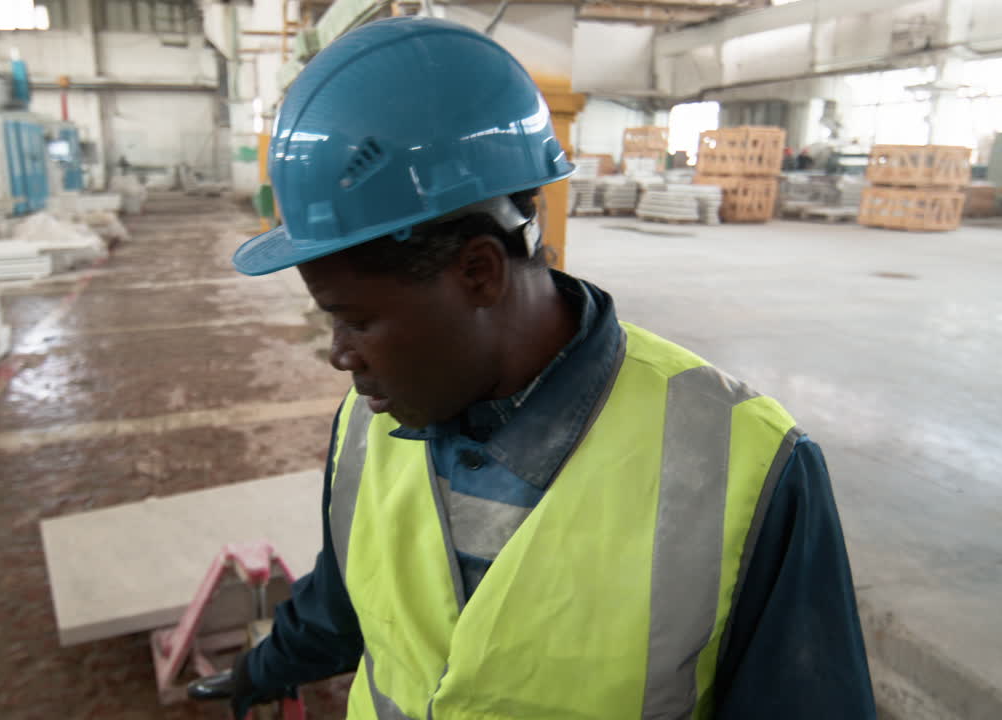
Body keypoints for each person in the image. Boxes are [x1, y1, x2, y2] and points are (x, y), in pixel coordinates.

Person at [190, 16, 876, 720]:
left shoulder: (743, 468)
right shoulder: (368, 427)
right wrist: (260, 670)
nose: (338, 354)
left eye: (357, 320)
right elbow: (345, 598)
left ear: (479, 272)